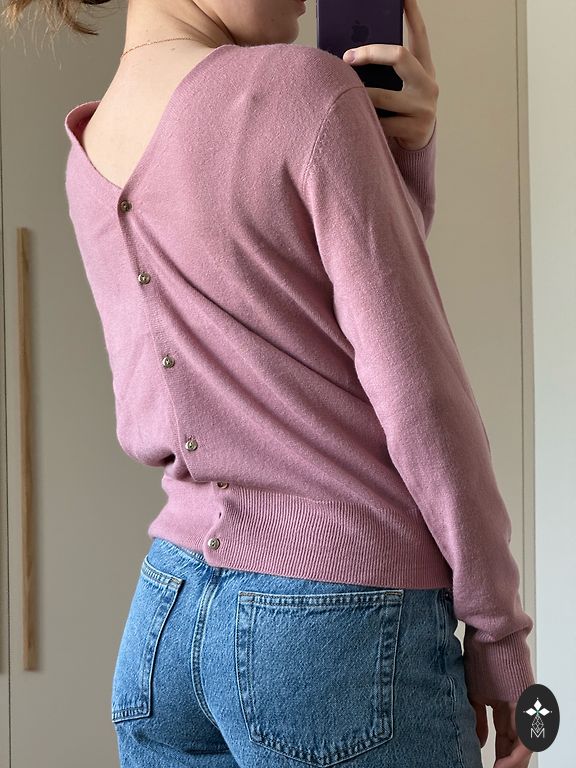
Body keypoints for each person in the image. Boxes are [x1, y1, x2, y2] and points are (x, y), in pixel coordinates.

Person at [3, 0, 535, 766]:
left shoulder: (91, 146)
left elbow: (311, 318)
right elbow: (420, 396)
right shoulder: (302, 90)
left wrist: (398, 153)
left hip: (167, 623)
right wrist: (499, 633)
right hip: (337, 625)